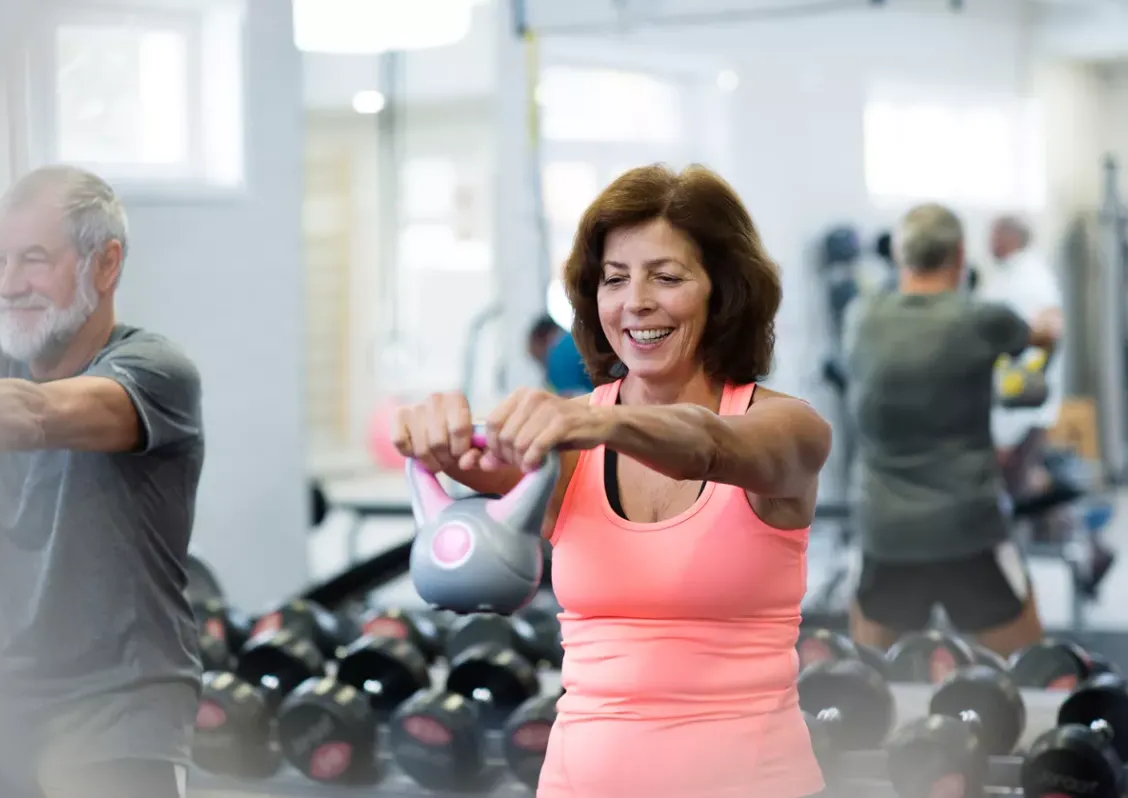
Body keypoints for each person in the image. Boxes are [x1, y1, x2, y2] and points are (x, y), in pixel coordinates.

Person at [393, 164, 832, 798]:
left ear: (724, 291)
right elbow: (472, 468)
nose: (636, 302)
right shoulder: (567, 450)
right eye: (615, 279)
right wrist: (435, 435)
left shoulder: (786, 429)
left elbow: (710, 446)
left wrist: (599, 421)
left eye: (667, 276)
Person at [0, 165, 203, 798]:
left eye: (33, 260)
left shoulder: (155, 371)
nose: (7, 285)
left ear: (105, 265)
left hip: (115, 707)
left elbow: (28, 414)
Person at [844, 203, 1060, 658]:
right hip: (968, 529)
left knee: (867, 684)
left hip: (886, 533)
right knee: (1030, 675)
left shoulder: (859, 317)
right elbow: (1038, 339)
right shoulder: (981, 318)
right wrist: (1051, 331)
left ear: (900, 258)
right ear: (961, 256)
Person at [977, 215, 1064, 498]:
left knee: (1019, 491)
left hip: (1020, 410)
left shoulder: (1031, 280)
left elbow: (1039, 348)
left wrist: (1006, 431)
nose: (989, 241)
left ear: (1011, 237)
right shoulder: (1008, 276)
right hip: (1010, 407)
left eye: (994, 234)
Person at [528, 314, 594, 397]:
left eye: (539, 360)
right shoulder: (577, 338)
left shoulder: (558, 355)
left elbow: (567, 400)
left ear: (539, 341)